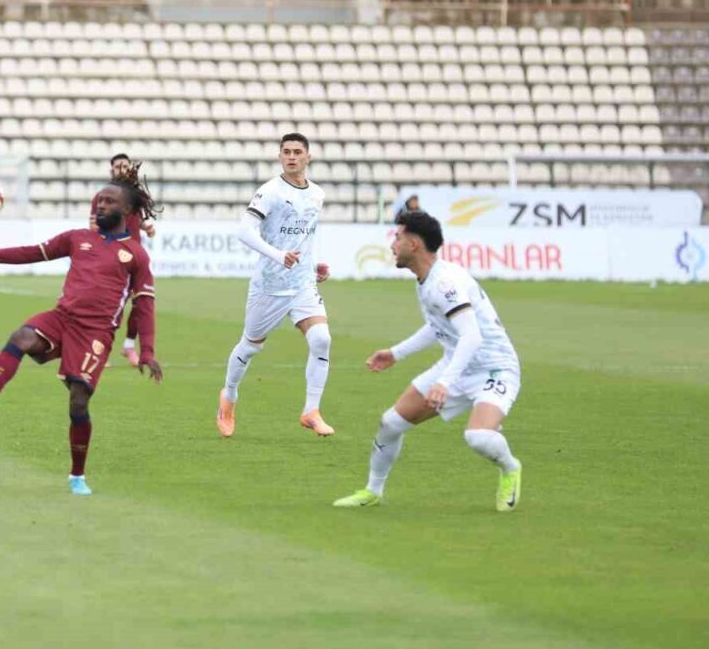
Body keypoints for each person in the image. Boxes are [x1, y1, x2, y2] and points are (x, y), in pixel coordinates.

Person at [0, 173, 162, 496]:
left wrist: (147, 351)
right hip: (62, 317)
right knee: (21, 337)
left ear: (127, 209)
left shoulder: (136, 255)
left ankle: (77, 475)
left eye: (109, 202)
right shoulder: (77, 238)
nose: (101, 205)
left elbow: (143, 306)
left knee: (78, 403)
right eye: (99, 201)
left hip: (96, 334)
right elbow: (27, 253)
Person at [333, 210, 523, 512]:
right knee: (391, 423)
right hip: (458, 363)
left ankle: (510, 468)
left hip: (494, 368)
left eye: (398, 238)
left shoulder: (444, 283)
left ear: (415, 244)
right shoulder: (427, 279)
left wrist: (444, 383)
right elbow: (438, 327)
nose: (392, 244)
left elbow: (471, 336)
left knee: (478, 437)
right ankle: (373, 491)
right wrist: (396, 353)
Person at [217, 132, 334, 439]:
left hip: (302, 284)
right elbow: (244, 231)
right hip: (269, 285)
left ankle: (311, 411)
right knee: (250, 346)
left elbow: (306, 236)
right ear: (280, 156)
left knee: (321, 338)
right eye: (286, 152)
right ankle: (228, 397)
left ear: (308, 156)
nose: (291, 156)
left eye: (297, 151)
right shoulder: (270, 191)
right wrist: (278, 255)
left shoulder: (317, 194)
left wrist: (314, 264)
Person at [88, 153, 157, 367]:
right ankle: (98, 348)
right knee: (109, 308)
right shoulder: (103, 196)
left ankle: (128, 346)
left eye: (126, 165)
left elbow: (138, 219)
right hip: (114, 259)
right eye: (118, 166)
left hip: (136, 259)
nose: (123, 169)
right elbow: (93, 226)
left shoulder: (135, 196)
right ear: (111, 170)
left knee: (141, 303)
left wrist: (146, 227)